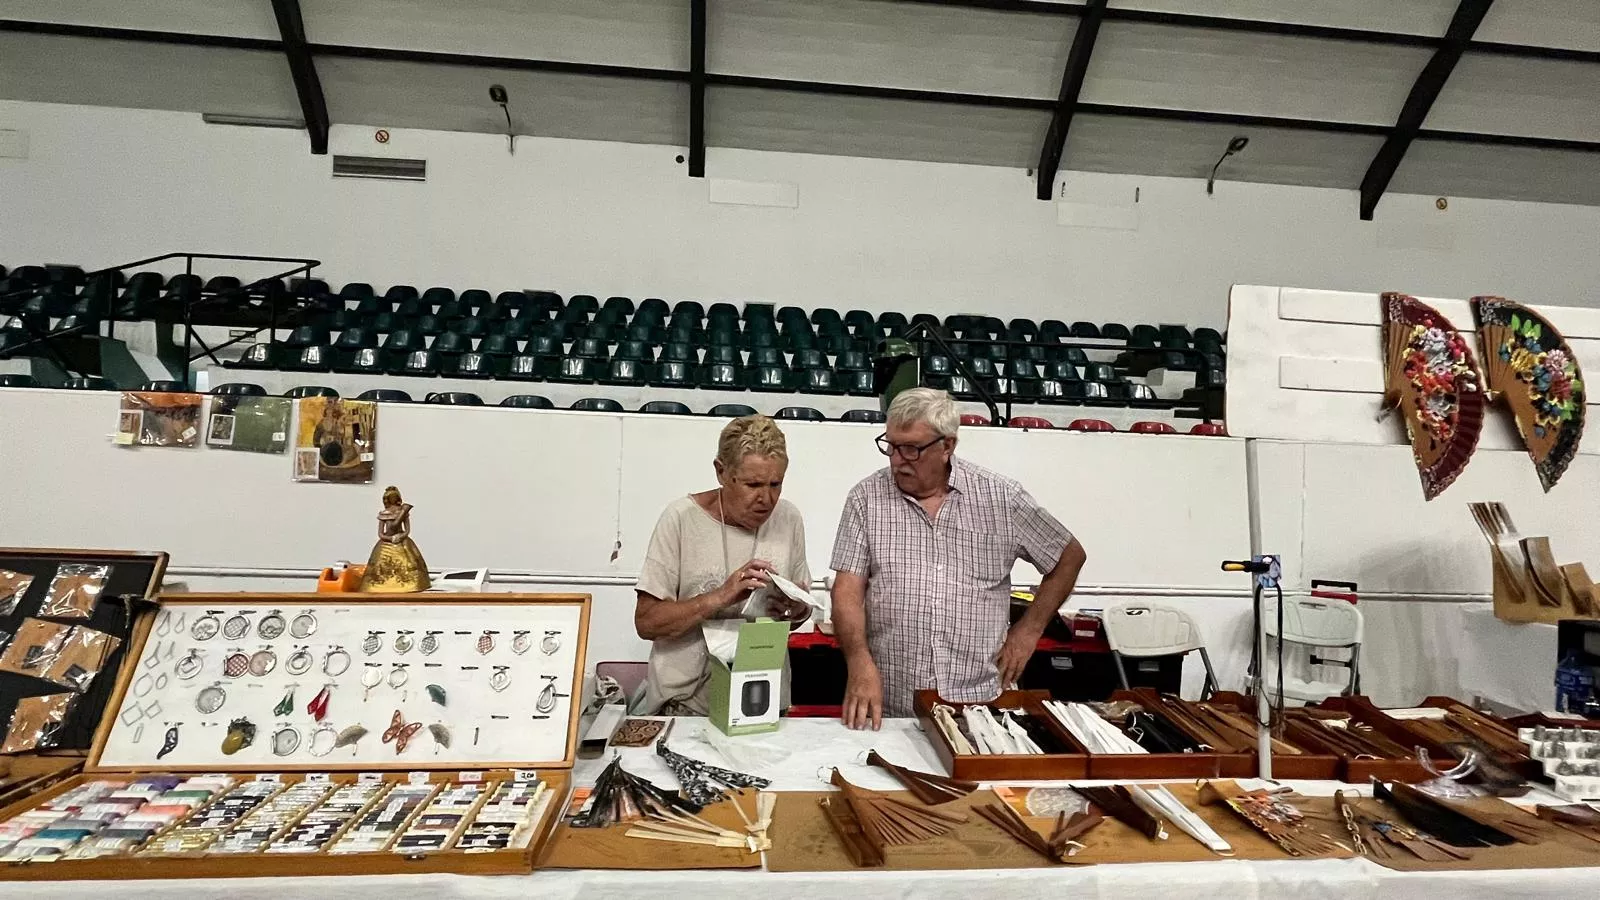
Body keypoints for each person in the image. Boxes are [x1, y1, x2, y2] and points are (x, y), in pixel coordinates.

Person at [831, 388, 1087, 728]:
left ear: (947, 446)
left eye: (911, 449)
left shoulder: (1001, 498)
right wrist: (859, 662)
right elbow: (847, 592)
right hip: (893, 706)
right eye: (891, 445)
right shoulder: (865, 499)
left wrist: (1029, 630)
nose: (896, 459)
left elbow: (1068, 557)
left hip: (978, 705)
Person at [634, 415, 813, 715]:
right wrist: (720, 597)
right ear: (721, 471)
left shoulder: (789, 519)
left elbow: (796, 616)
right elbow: (647, 622)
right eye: (752, 484)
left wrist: (796, 610)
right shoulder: (681, 519)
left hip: (762, 703)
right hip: (687, 705)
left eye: (775, 484)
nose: (766, 499)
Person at [361, 486, 431, 592]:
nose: (393, 500)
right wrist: (390, 538)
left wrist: (400, 536)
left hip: (403, 542)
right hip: (386, 544)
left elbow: (407, 530)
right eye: (391, 498)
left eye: (395, 497)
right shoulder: (384, 514)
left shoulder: (403, 513)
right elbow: (380, 533)